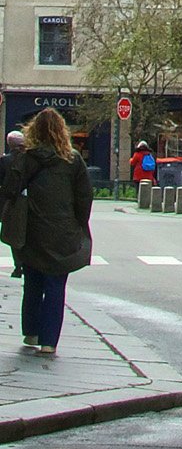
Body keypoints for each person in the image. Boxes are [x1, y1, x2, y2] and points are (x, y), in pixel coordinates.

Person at [0, 108, 93, 356]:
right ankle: (49, 341)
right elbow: (85, 197)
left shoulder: (26, 159)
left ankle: (30, 331)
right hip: (62, 232)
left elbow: (9, 191)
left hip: (31, 229)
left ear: (34, 131)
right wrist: (78, 224)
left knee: (32, 281)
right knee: (55, 285)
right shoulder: (73, 161)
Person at [1, 130, 27, 277]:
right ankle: (25, 264)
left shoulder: (5, 161)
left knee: (13, 235)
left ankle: (18, 265)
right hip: (29, 203)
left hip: (11, 204)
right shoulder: (30, 159)